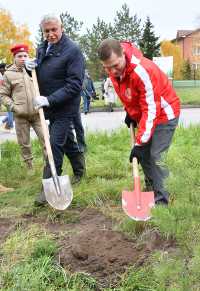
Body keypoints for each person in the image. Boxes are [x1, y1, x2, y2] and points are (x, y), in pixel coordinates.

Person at [98, 39, 180, 205]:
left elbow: (152, 109)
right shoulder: (114, 70)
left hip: (164, 113)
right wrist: (130, 111)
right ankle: (151, 190)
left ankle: (162, 199)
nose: (112, 71)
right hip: (144, 114)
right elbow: (130, 93)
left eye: (115, 65)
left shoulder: (142, 70)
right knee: (143, 156)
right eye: (108, 67)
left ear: (122, 54)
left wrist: (140, 143)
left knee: (155, 156)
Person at [25, 14, 86, 205]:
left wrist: (49, 100)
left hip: (65, 106)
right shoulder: (42, 47)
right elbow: (40, 72)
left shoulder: (73, 51)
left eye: (54, 30)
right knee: (66, 140)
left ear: (62, 28)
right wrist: (29, 68)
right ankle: (80, 169)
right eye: (46, 31)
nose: (50, 34)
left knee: (54, 144)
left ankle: (49, 184)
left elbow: (75, 84)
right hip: (49, 106)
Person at [0, 44, 46, 170]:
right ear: (14, 58)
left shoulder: (33, 70)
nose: (23, 58)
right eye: (19, 56)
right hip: (20, 115)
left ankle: (48, 164)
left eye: (25, 55)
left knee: (46, 139)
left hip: (37, 113)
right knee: (24, 144)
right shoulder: (8, 74)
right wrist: (14, 107)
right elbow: (3, 95)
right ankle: (29, 167)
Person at [0, 63, 14, 131]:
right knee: (10, 111)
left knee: (12, 112)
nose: (5, 70)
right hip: (4, 96)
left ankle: (3, 123)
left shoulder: (6, 75)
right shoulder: (3, 76)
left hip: (9, 95)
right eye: (4, 68)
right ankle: (11, 127)